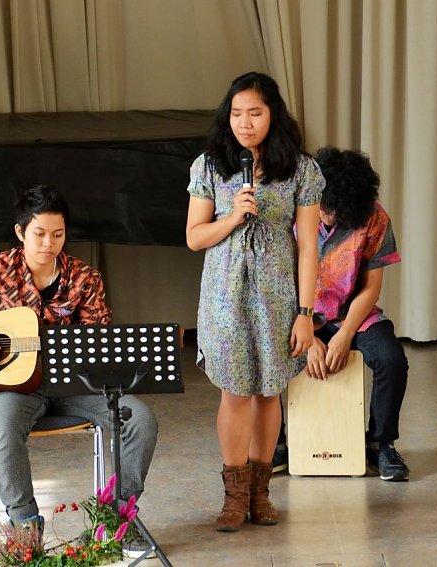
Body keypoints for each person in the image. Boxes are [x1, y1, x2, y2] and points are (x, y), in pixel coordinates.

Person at [0, 184, 158, 554]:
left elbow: (99, 343)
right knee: (3, 419)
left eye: (58, 234)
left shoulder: (85, 278)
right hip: (12, 388)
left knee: (140, 418)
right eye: (40, 234)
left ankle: (117, 520)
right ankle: (25, 527)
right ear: (21, 232)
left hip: (73, 386)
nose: (49, 244)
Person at [185, 72, 322, 532]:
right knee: (236, 392)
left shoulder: (301, 170)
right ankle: (234, 496)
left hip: (278, 298)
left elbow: (309, 247)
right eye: (237, 113)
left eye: (255, 113)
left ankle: (261, 493)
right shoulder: (210, 166)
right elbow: (194, 237)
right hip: (225, 297)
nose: (244, 123)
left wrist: (305, 313)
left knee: (268, 392)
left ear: (273, 116)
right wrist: (233, 217)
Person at [272, 147, 410, 482]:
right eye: (323, 207)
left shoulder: (375, 218)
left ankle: (380, 443)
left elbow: (371, 287)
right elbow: (278, 284)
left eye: (335, 211)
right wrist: (307, 336)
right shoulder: (289, 212)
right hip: (296, 313)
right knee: (267, 353)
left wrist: (346, 333)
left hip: (353, 315)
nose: (326, 216)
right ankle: (276, 444)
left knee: (391, 360)